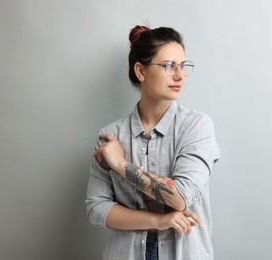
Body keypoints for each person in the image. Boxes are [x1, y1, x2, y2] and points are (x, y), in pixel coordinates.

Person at [86, 25, 220, 260]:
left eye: (183, 66)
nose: (179, 75)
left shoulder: (197, 126)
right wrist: (159, 221)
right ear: (140, 71)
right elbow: (97, 210)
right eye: (169, 65)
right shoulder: (110, 135)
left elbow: (180, 196)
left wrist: (121, 165)